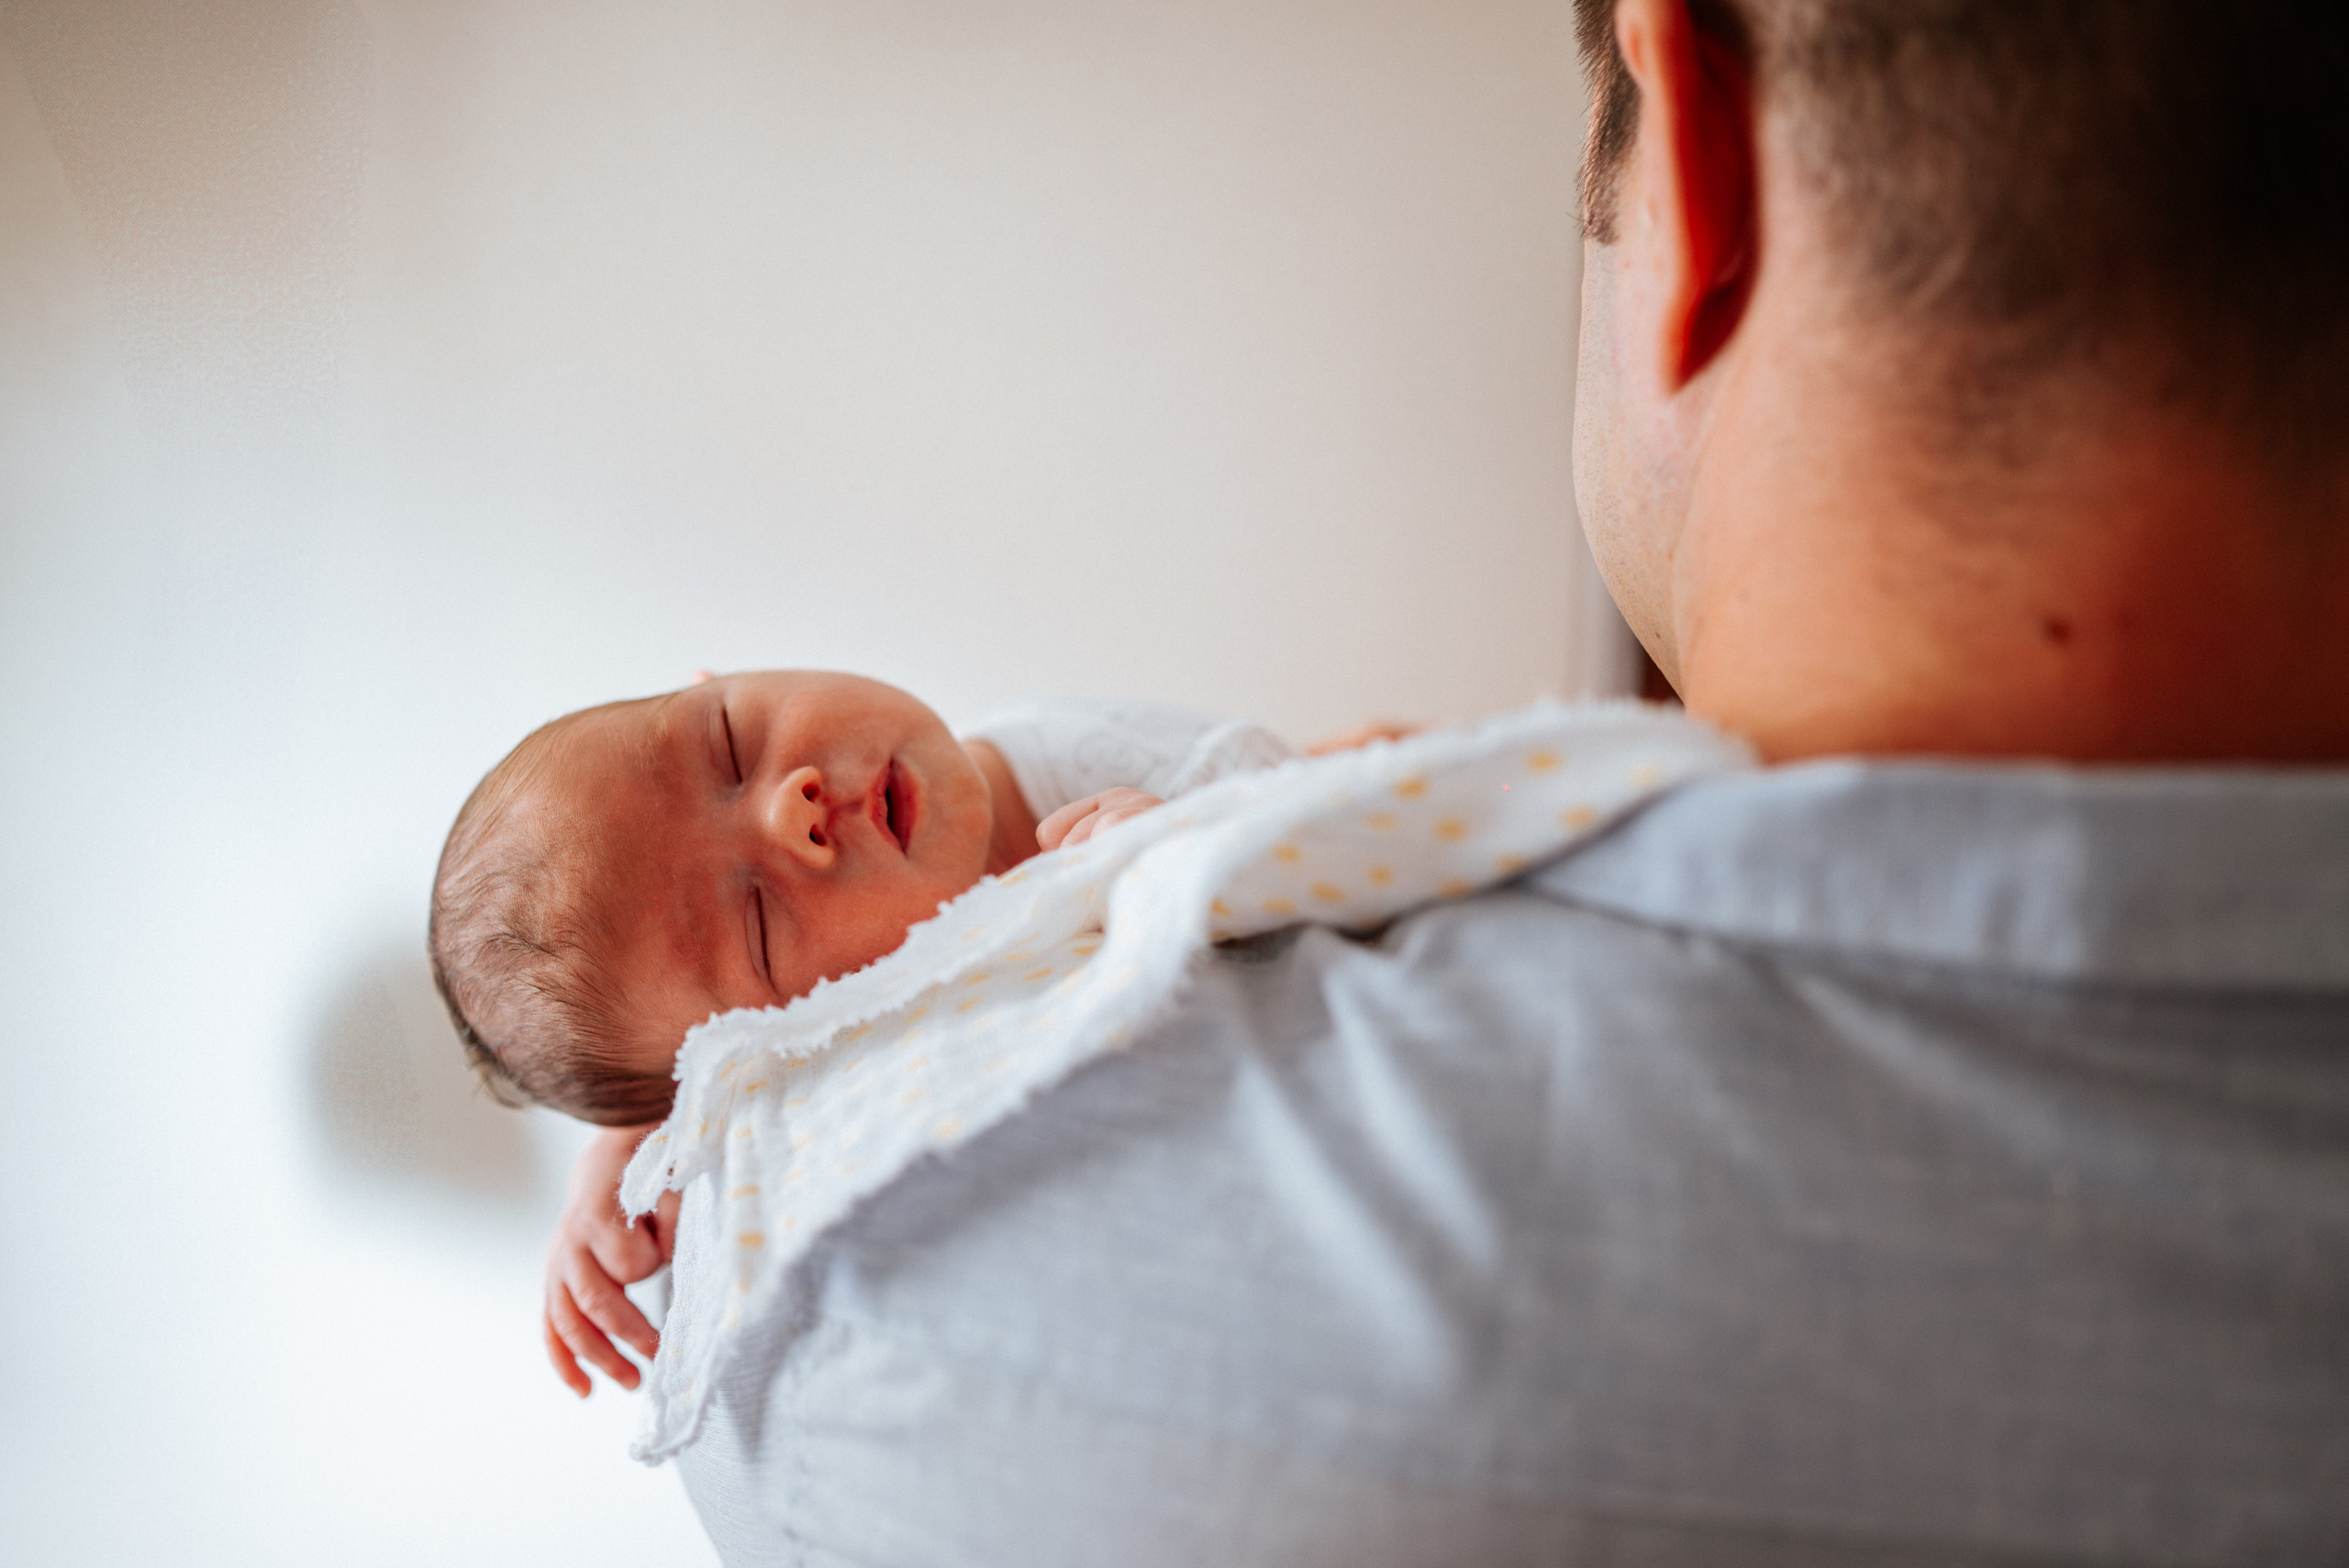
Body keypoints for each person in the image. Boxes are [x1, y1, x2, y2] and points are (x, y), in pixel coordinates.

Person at [629, 3, 2349, 1562]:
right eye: (744, 913)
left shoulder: (832, 1304)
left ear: (1691, 161)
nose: (792, 813)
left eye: (727, 753)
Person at [426, 674, 1299, 1387]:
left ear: (716, 679)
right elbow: (703, 1080)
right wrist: (609, 1175)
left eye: (729, 743)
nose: (788, 812)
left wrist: (1179, 847)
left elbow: (1317, 837)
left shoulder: (1087, 759)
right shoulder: (821, 1037)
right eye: (760, 923)